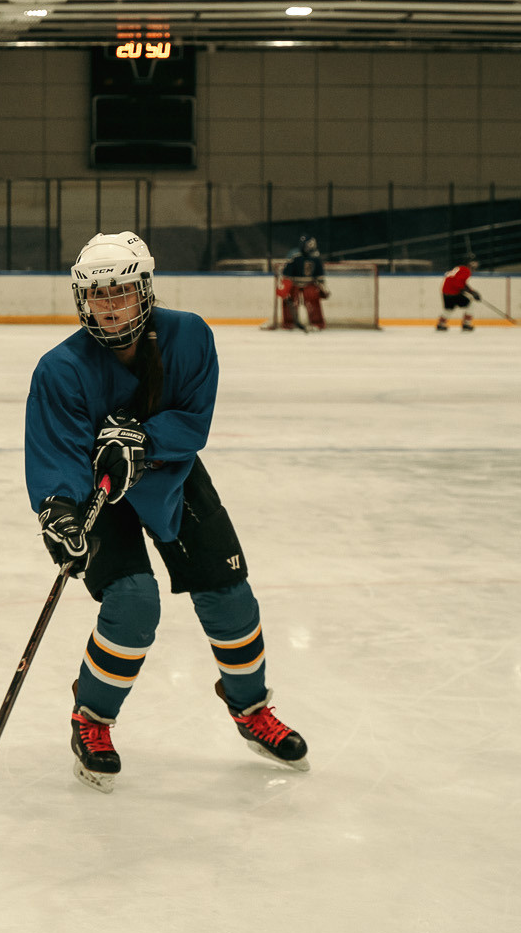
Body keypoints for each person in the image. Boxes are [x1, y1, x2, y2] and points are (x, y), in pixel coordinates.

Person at [25, 230, 310, 793]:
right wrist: (57, 511)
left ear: (145, 291)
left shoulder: (190, 336)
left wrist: (144, 440)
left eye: (122, 292)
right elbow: (55, 451)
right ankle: (92, 718)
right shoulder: (59, 369)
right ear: (83, 300)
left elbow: (194, 421)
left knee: (230, 594)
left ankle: (249, 707)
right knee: (133, 604)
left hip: (171, 478)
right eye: (98, 295)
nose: (110, 306)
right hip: (99, 493)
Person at [280, 234, 329, 331]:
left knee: (313, 299)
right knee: (288, 300)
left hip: (310, 284)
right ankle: (289, 323)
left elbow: (319, 274)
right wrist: (285, 286)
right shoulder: (294, 256)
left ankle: (316, 323)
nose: (311, 247)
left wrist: (323, 286)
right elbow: (287, 272)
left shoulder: (315, 256)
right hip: (294, 283)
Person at [437, 261, 476, 331]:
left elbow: (461, 282)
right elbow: (458, 283)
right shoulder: (466, 271)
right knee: (471, 304)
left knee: (449, 309)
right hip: (453, 292)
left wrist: (471, 291)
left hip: (445, 292)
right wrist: (470, 292)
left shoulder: (459, 268)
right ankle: (466, 323)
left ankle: (441, 324)